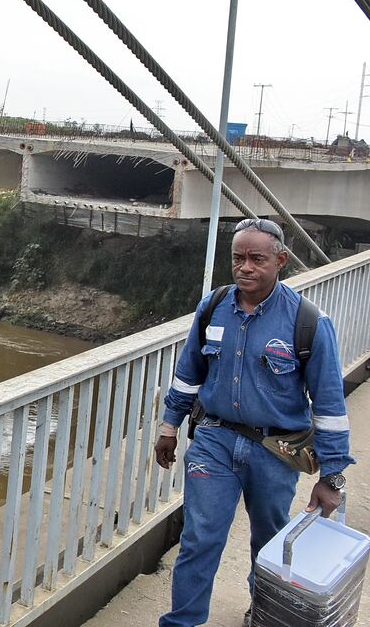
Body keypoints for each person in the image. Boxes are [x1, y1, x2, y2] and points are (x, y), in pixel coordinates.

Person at [154, 218, 354, 627]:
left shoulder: (309, 323)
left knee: (270, 541)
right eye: (238, 258)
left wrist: (331, 477)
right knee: (199, 538)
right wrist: (169, 426)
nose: (245, 267)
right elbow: (188, 373)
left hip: (275, 451)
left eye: (257, 259)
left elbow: (330, 405)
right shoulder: (212, 306)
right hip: (214, 439)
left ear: (280, 261)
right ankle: (182, 622)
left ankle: (262, 613)